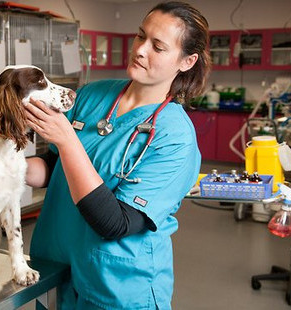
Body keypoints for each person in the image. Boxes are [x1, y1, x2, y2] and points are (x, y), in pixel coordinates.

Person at [24, 1, 210, 309]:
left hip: (117, 287)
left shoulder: (175, 138)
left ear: (186, 61)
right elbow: (55, 166)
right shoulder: (93, 95)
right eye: (140, 36)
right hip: (56, 269)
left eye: (158, 47)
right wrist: (4, 167)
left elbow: (115, 223)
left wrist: (68, 140)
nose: (140, 49)